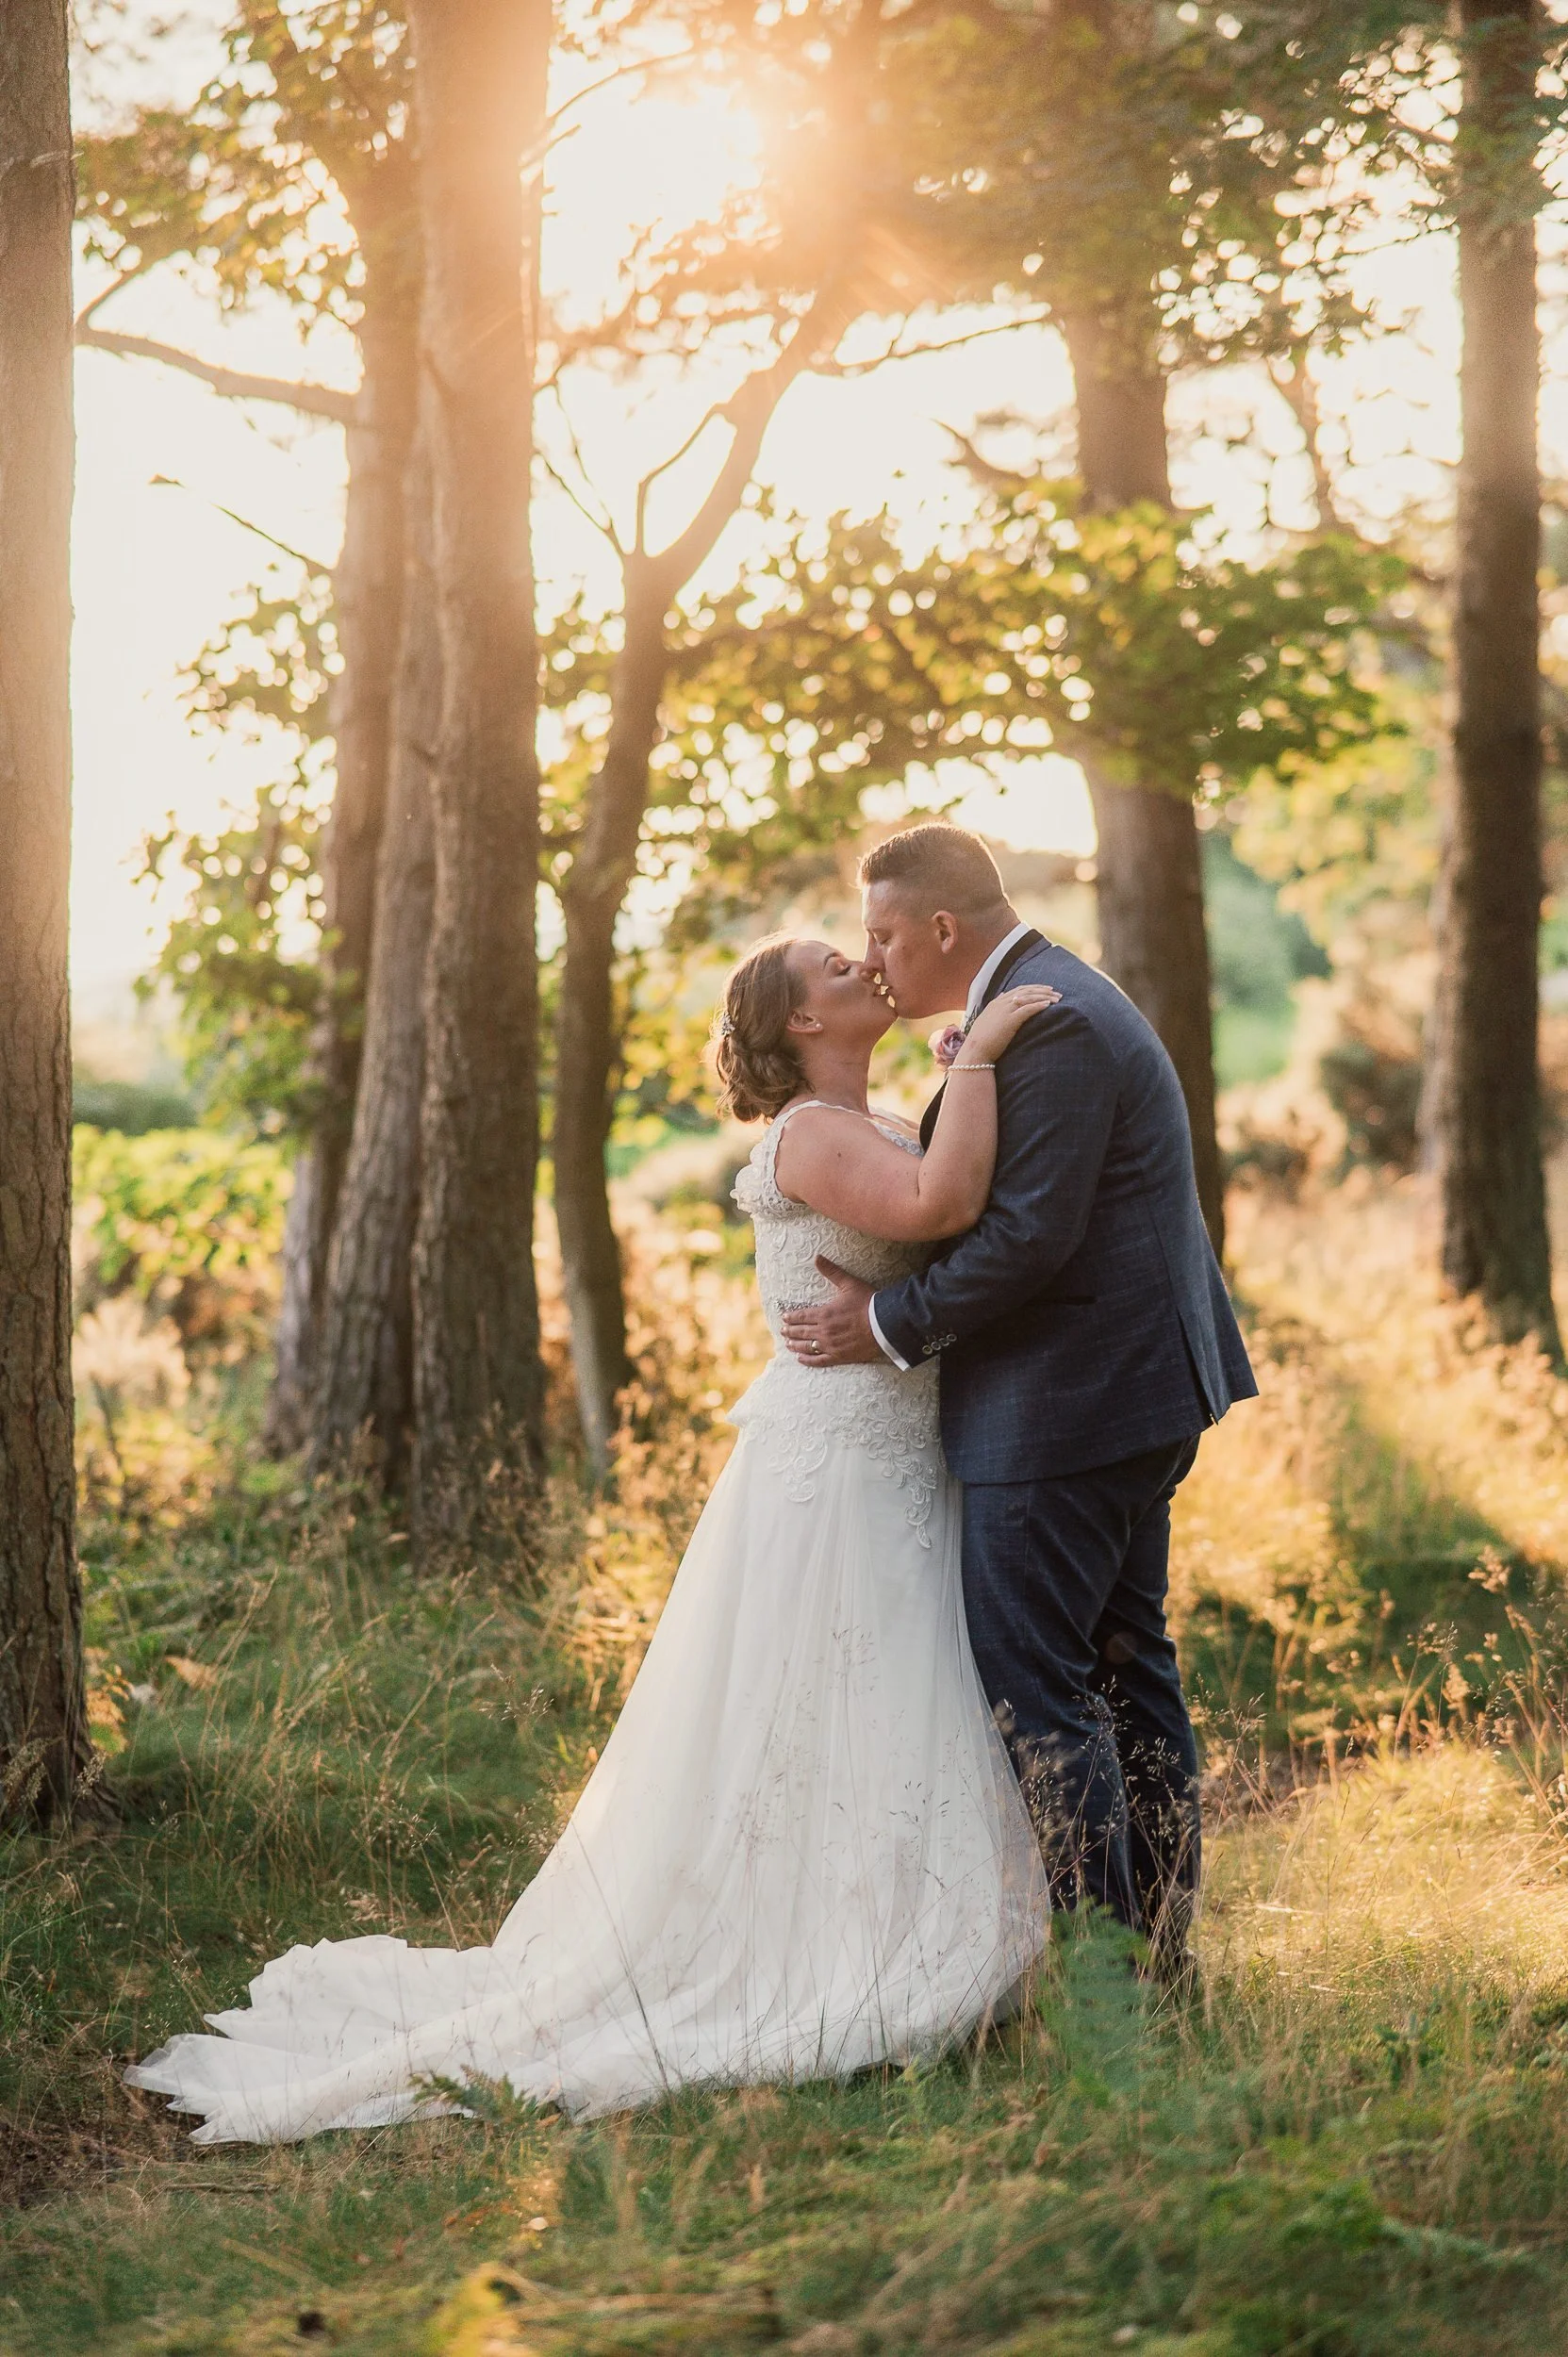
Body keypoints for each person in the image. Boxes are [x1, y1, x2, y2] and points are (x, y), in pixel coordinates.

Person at [125, 934, 1058, 2144]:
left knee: (874, 1693)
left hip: (885, 1443)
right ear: (796, 1027)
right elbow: (942, 1205)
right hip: (837, 1461)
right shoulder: (814, 1134)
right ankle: (824, 1944)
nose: (858, 970)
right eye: (834, 968)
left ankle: (879, 1917)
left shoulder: (863, 1118)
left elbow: (931, 1191)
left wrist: (951, 1077)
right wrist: (981, 1054)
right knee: (837, 1689)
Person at [783, 824, 1257, 1969]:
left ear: (942, 928)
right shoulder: (1042, 1001)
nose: (876, 957)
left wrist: (883, 1323)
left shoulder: (1052, 1024)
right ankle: (1152, 1957)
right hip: (1117, 1391)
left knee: (1042, 1690)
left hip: (1069, 1407)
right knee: (1120, 1667)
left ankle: (1111, 1974)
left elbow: (1026, 1237)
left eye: (883, 934)